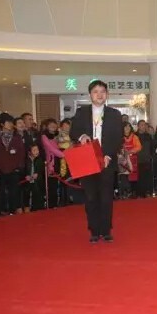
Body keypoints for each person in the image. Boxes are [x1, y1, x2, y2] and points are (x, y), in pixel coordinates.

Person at [69, 80, 123, 243]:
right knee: (91, 197)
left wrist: (108, 155)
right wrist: (81, 136)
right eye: (95, 91)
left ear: (107, 94)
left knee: (106, 198)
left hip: (107, 161)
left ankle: (106, 230)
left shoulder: (114, 114)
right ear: (90, 95)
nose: (99, 95)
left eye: (102, 92)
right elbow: (73, 131)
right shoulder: (82, 112)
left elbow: (117, 137)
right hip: (87, 160)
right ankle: (94, 230)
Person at [0, 112, 25, 216]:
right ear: (2, 124)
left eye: (11, 122)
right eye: (8, 123)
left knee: (14, 192)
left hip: (14, 169)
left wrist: (19, 167)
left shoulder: (17, 138)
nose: (10, 125)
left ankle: (12, 211)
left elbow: (21, 153)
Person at [41, 119, 65, 209]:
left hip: (58, 161)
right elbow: (51, 148)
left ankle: (56, 204)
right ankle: (51, 205)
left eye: (54, 124)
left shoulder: (55, 136)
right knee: (51, 185)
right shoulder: (44, 136)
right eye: (51, 125)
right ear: (47, 126)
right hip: (51, 162)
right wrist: (64, 155)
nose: (53, 126)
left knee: (56, 184)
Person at [23, 144, 45, 212]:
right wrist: (25, 176)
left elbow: (42, 171)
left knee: (37, 196)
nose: (37, 152)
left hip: (37, 182)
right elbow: (22, 170)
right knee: (26, 196)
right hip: (27, 182)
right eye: (34, 150)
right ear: (29, 152)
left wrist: (37, 174)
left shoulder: (40, 159)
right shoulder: (25, 160)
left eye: (37, 150)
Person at [122, 122, 142, 196]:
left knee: (133, 175)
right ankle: (124, 191)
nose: (127, 128)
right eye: (125, 127)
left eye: (129, 126)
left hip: (133, 159)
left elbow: (139, 147)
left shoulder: (134, 137)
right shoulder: (120, 137)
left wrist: (130, 151)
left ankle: (133, 192)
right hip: (123, 160)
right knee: (123, 176)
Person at [136, 120, 154, 198]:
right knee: (139, 177)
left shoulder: (148, 136)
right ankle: (140, 192)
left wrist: (151, 156)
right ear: (138, 126)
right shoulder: (135, 136)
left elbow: (152, 147)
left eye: (144, 125)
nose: (143, 126)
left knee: (148, 176)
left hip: (147, 159)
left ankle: (148, 191)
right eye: (141, 125)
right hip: (138, 159)